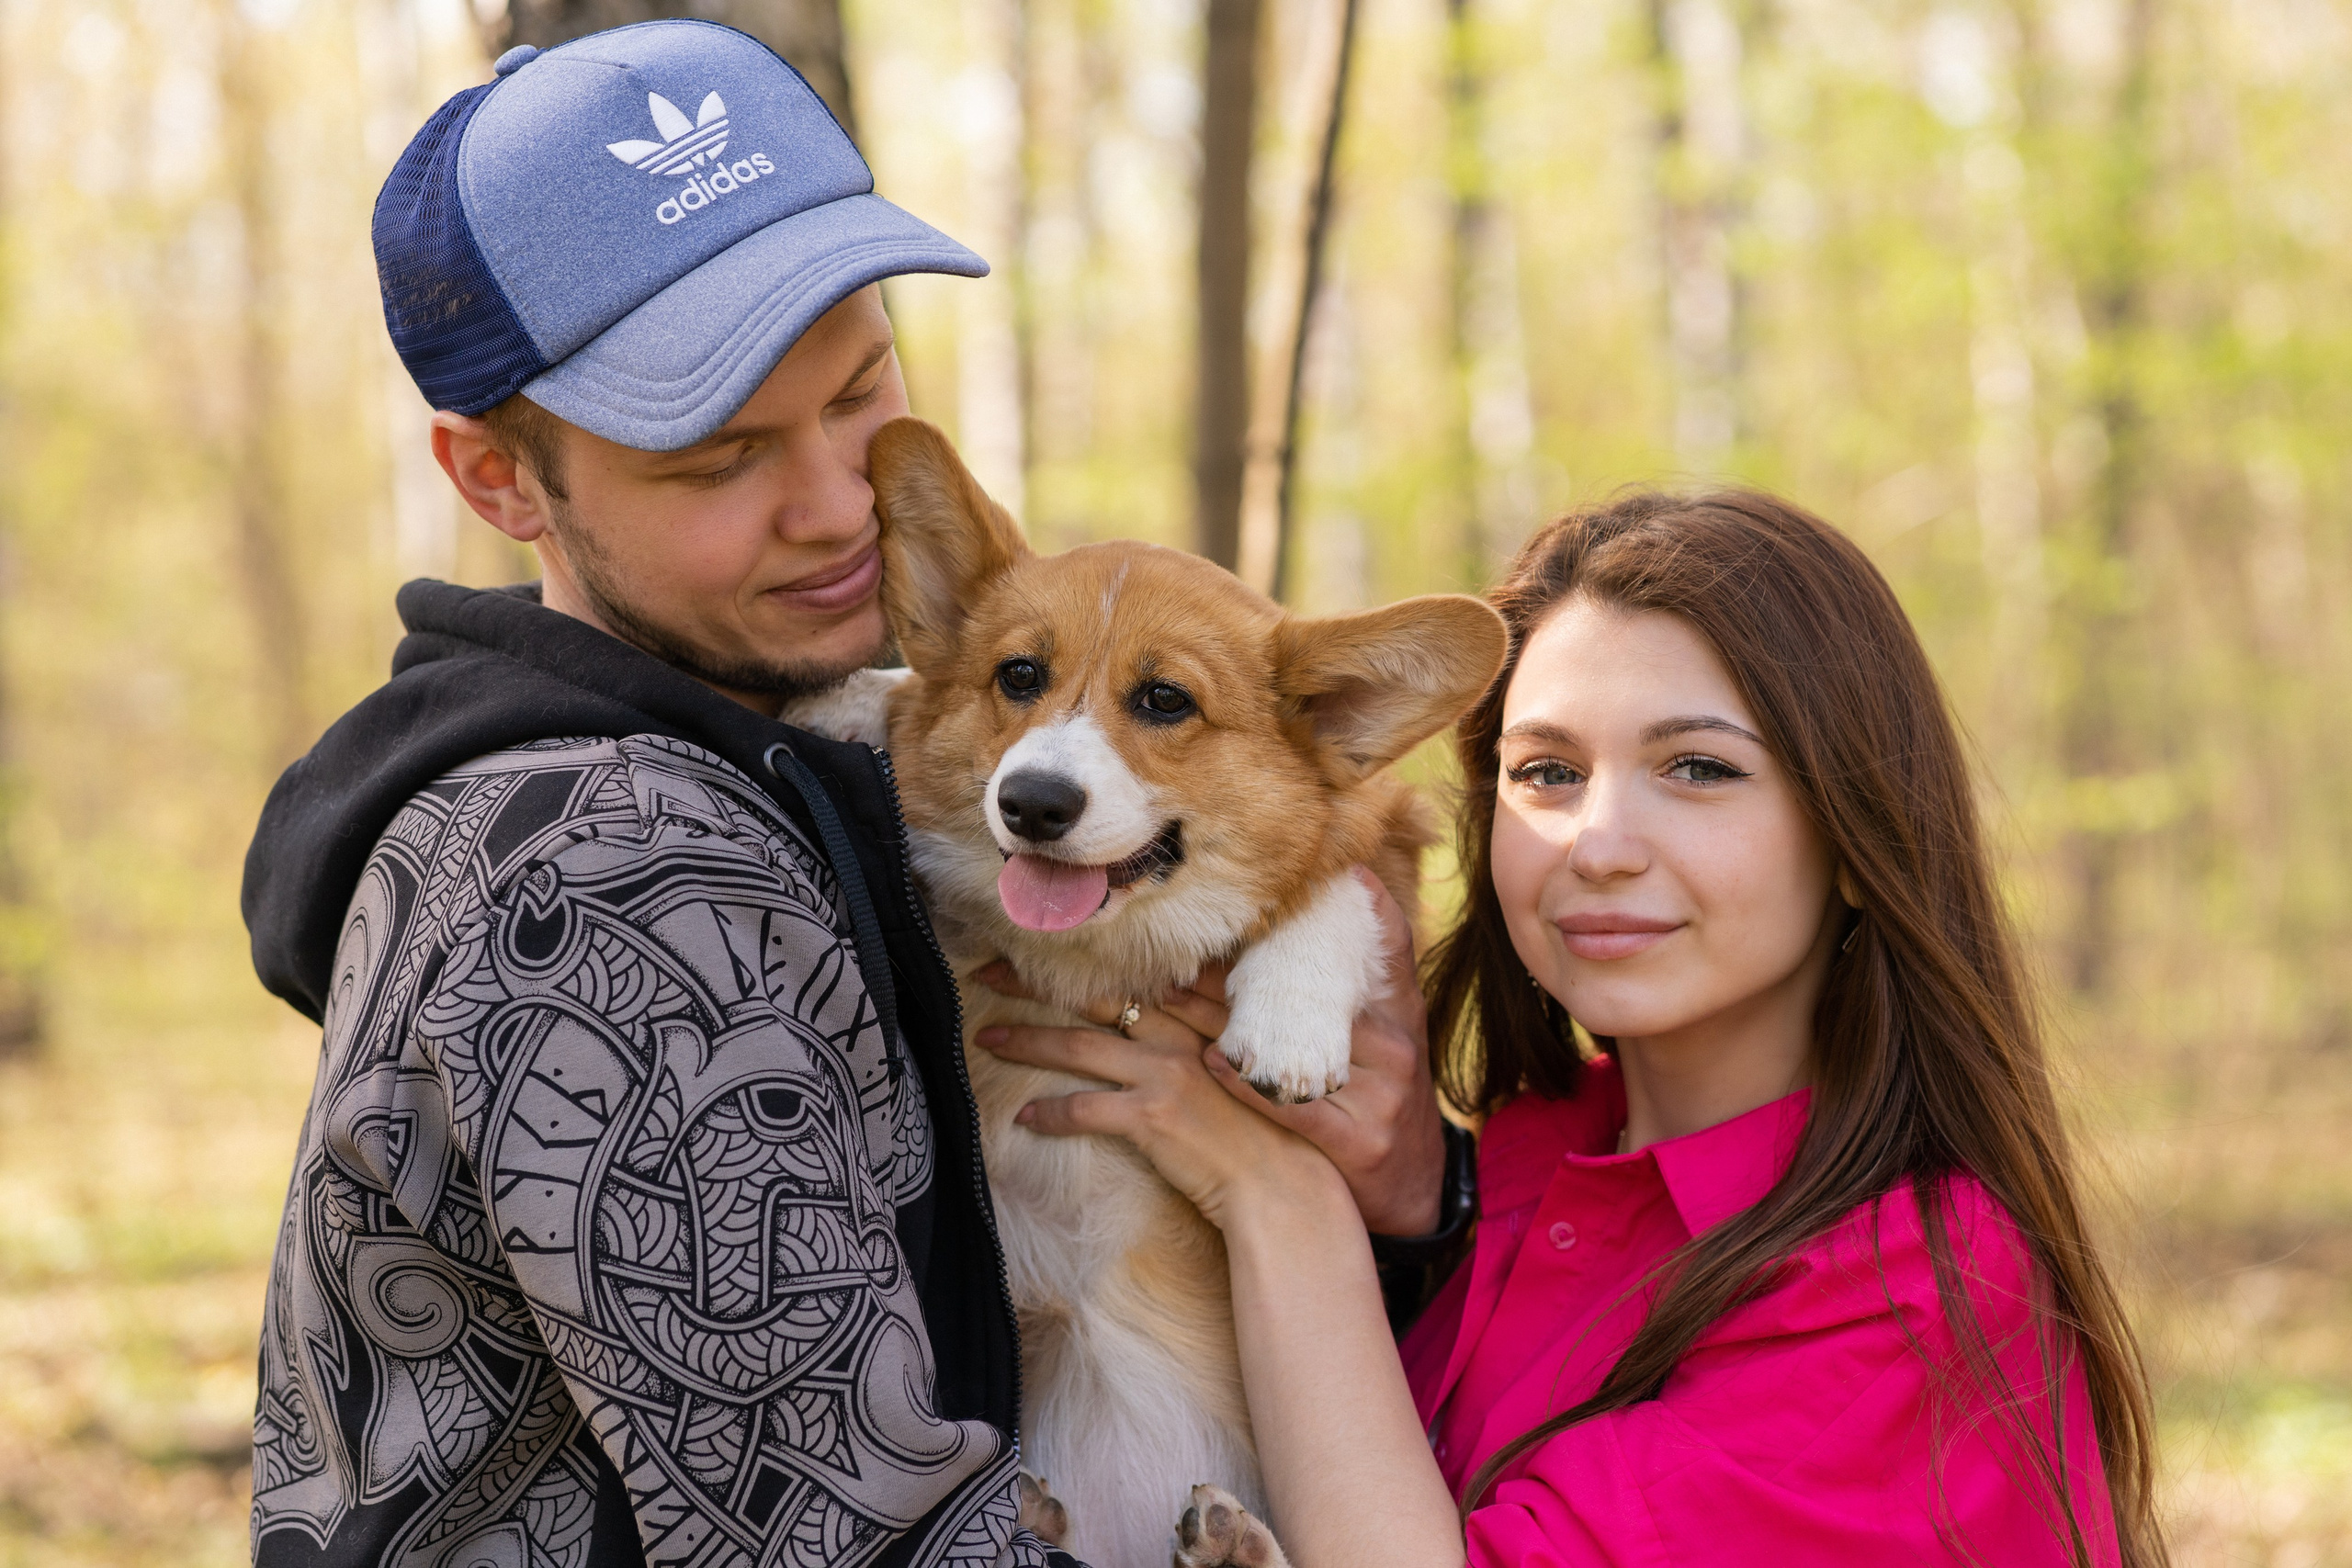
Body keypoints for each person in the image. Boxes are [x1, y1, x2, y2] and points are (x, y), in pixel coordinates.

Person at [238, 20, 1451, 1568]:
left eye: (859, 390)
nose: (836, 509)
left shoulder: (803, 769)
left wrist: (1400, 1184)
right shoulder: (613, 861)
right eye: (716, 454)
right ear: (500, 481)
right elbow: (840, 1538)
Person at [980, 491, 2169, 1567]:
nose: (1598, 844)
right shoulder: (1529, 1158)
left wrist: (1279, 1202)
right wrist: (1423, 1205)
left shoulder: (1917, 1287)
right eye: (1546, 772)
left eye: (1698, 769)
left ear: (1856, 840)